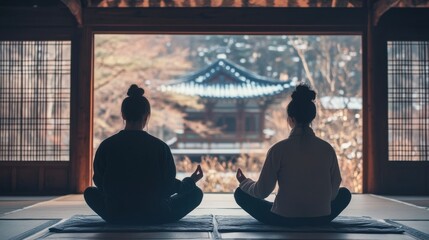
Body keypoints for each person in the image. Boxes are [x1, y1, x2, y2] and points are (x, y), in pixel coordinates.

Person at [84, 84, 204, 224]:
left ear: (123, 114)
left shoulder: (107, 145)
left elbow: (99, 182)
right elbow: (168, 186)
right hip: (156, 214)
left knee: (89, 192)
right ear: (147, 116)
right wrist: (189, 183)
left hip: (116, 213)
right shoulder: (160, 147)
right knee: (196, 194)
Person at [234, 84, 351, 226]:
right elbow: (334, 190)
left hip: (283, 219)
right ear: (312, 117)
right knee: (345, 194)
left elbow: (262, 192)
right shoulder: (327, 149)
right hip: (320, 218)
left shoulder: (278, 149)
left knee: (240, 194)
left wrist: (244, 182)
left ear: (290, 119)